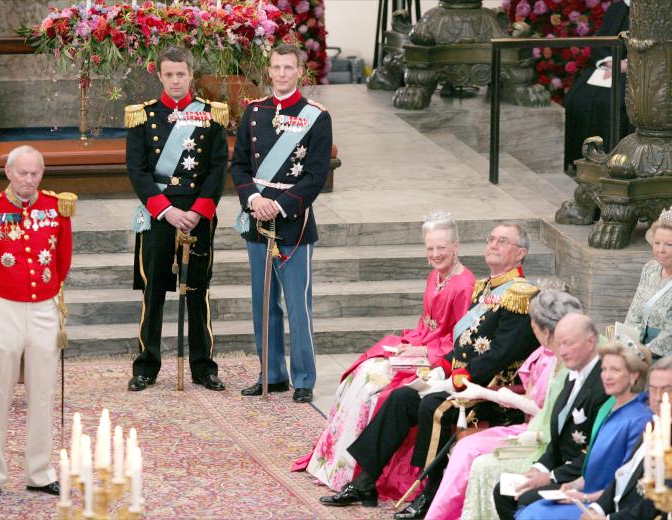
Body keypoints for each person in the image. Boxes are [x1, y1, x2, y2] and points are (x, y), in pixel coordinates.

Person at [320, 223, 540, 516]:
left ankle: (430, 494)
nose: (493, 245)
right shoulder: (487, 288)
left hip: (491, 391)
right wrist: (443, 368)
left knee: (433, 408)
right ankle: (364, 481)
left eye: (503, 241)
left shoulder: (520, 295)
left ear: (520, 253)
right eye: (491, 239)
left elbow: (501, 355)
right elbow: (466, 344)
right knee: (400, 398)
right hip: (462, 381)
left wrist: (463, 377)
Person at [293, 212, 475, 496]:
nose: (436, 254)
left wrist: (423, 350)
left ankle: (358, 471)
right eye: (430, 248)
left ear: (456, 247)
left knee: (375, 389)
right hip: (421, 346)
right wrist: (411, 344)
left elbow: (459, 340)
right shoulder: (435, 275)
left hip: (440, 360)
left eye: (442, 247)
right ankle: (335, 463)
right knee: (362, 374)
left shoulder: (464, 285)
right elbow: (427, 322)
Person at [0, 145, 76, 503]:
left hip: (44, 307)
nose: (28, 180)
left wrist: (46, 293)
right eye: (22, 173)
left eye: (35, 173)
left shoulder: (57, 208)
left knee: (43, 391)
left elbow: (63, 259)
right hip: (3, 308)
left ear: (42, 174)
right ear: (8, 173)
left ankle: (40, 472)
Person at [424, 289, 584, 520]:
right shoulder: (544, 354)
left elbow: (545, 411)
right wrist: (486, 393)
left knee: (472, 455)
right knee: (465, 447)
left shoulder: (567, 360)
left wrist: (491, 394)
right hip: (530, 428)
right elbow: (533, 399)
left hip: (541, 436)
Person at [230, 43, 333, 403]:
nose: (282, 74)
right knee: (263, 303)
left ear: (299, 72)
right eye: (277, 67)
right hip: (257, 218)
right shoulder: (253, 112)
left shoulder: (317, 116)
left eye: (289, 68)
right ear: (268, 70)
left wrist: (279, 204)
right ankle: (271, 373)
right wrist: (254, 199)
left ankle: (303, 378)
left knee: (297, 305)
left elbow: (316, 174)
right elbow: (239, 165)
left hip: (294, 223)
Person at [125, 45, 229, 392]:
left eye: (180, 74)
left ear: (190, 75)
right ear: (159, 75)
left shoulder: (211, 116)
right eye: (168, 74)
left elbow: (217, 168)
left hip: (198, 215)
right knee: (153, 290)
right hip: (160, 213)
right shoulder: (143, 116)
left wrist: (198, 211)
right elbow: (137, 170)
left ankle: (203, 366)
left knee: (198, 290)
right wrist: (167, 211)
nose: (174, 81)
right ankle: (146, 366)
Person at [515, 340, 652, 519]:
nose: (606, 376)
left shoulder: (640, 418)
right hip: (586, 494)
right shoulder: (609, 408)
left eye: (615, 370)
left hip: (606, 505)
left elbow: (626, 481)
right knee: (530, 508)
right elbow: (593, 463)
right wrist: (575, 485)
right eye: (604, 369)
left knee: (533, 514)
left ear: (634, 376)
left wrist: (587, 498)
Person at [492, 313, 609, 519]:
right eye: (559, 344)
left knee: (525, 499)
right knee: (504, 490)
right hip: (561, 468)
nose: (561, 352)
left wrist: (552, 476)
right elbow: (559, 437)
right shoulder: (573, 374)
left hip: (583, 476)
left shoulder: (603, 384)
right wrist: (539, 468)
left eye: (569, 344)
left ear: (591, 342)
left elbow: (597, 451)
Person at [583, 356, 672, 520]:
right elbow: (624, 473)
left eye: (666, 390)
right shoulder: (651, 424)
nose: (658, 397)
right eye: (653, 389)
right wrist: (597, 509)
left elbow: (655, 503)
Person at [563, 0, 631, 174]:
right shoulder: (619, 8)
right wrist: (611, 62)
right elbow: (602, 39)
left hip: (638, 72)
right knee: (578, 97)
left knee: (611, 102)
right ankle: (579, 162)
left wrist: (625, 66)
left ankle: (612, 166)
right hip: (610, 66)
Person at [624, 209, 672, 358]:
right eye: (657, 243)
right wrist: (628, 344)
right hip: (639, 348)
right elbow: (634, 312)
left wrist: (642, 354)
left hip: (664, 357)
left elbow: (670, 335)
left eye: (669, 244)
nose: (660, 250)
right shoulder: (650, 268)